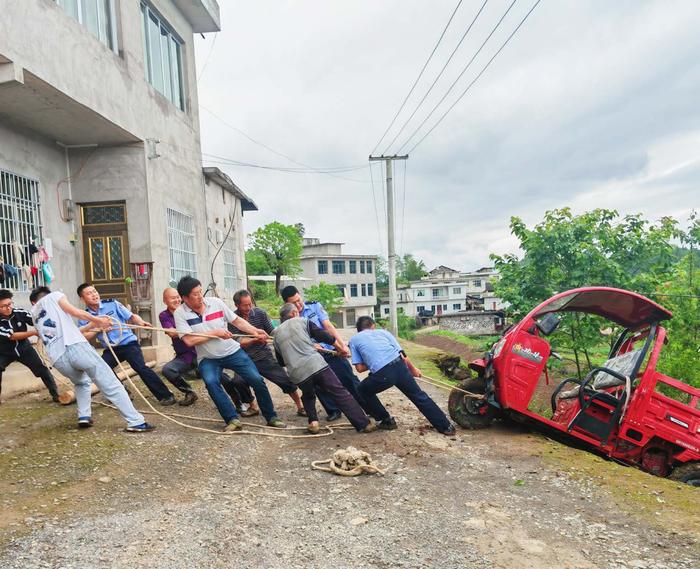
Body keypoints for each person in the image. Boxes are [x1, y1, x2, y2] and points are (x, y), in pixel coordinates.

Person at [29, 286, 154, 432]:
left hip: (58, 359)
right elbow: (76, 312)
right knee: (111, 383)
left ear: (33, 302)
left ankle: (84, 416)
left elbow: (71, 330)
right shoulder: (54, 296)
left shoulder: (34, 313)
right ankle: (135, 422)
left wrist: (92, 324)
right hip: (76, 347)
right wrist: (98, 321)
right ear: (49, 295)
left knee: (81, 382)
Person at [174, 276, 286, 432]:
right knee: (211, 383)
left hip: (232, 352)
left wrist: (255, 331)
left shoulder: (216, 303)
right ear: (185, 298)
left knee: (256, 380)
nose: (200, 296)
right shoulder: (180, 313)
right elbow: (189, 340)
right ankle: (232, 419)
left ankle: (271, 417)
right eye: (195, 294)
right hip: (208, 358)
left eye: (200, 292)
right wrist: (216, 332)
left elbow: (237, 321)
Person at [273, 303, 375, 434]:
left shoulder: (276, 335)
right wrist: (340, 349)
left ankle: (313, 423)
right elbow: (325, 336)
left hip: (298, 374)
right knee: (339, 392)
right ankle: (364, 424)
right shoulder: (303, 321)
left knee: (308, 395)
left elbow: (281, 362)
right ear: (293, 314)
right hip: (316, 365)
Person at [349, 316, 456, 436]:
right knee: (419, 396)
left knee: (361, 390)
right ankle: (446, 426)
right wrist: (413, 370)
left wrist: (373, 360)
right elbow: (402, 355)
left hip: (382, 374)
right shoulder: (384, 332)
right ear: (372, 326)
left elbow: (359, 368)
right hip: (399, 365)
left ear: (359, 329)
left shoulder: (354, 340)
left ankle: (386, 420)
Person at [77, 283, 177, 406]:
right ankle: (122, 393)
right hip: (111, 348)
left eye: (94, 291)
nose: (94, 295)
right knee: (101, 368)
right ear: (82, 299)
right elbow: (83, 335)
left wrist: (141, 322)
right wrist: (98, 328)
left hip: (129, 343)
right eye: (89, 293)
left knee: (140, 368)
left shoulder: (112, 303)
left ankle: (166, 395)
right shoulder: (84, 316)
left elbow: (131, 316)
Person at [280, 285, 367, 422]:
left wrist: (341, 345)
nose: (298, 304)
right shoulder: (289, 319)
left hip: (330, 349)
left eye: (299, 300)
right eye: (294, 302)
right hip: (312, 356)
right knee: (320, 386)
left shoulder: (314, 306)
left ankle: (367, 406)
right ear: (287, 304)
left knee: (348, 379)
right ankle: (333, 410)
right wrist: (311, 345)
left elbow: (328, 326)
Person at [159, 287, 255, 411]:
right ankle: (189, 392)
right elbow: (171, 333)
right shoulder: (165, 315)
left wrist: (193, 332)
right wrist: (188, 332)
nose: (176, 300)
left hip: (203, 351)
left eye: (177, 297)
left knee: (223, 378)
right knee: (168, 370)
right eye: (172, 298)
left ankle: (238, 403)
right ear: (164, 301)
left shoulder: (190, 309)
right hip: (185, 356)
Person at [229, 290, 305, 417]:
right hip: (244, 358)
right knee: (238, 382)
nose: (248, 307)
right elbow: (239, 342)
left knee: (285, 380)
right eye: (245, 305)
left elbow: (272, 331)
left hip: (264, 355)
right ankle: (253, 406)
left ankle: (300, 406)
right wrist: (255, 339)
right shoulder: (232, 318)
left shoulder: (260, 313)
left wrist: (288, 337)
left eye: (250, 304)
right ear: (237, 305)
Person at [0, 289, 59, 403]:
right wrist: (33, 332)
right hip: (3, 351)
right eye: (3, 306)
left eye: (9, 304)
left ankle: (55, 394)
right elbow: (12, 336)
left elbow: (36, 319)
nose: (8, 308)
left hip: (24, 348)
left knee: (42, 369)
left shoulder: (19, 313)